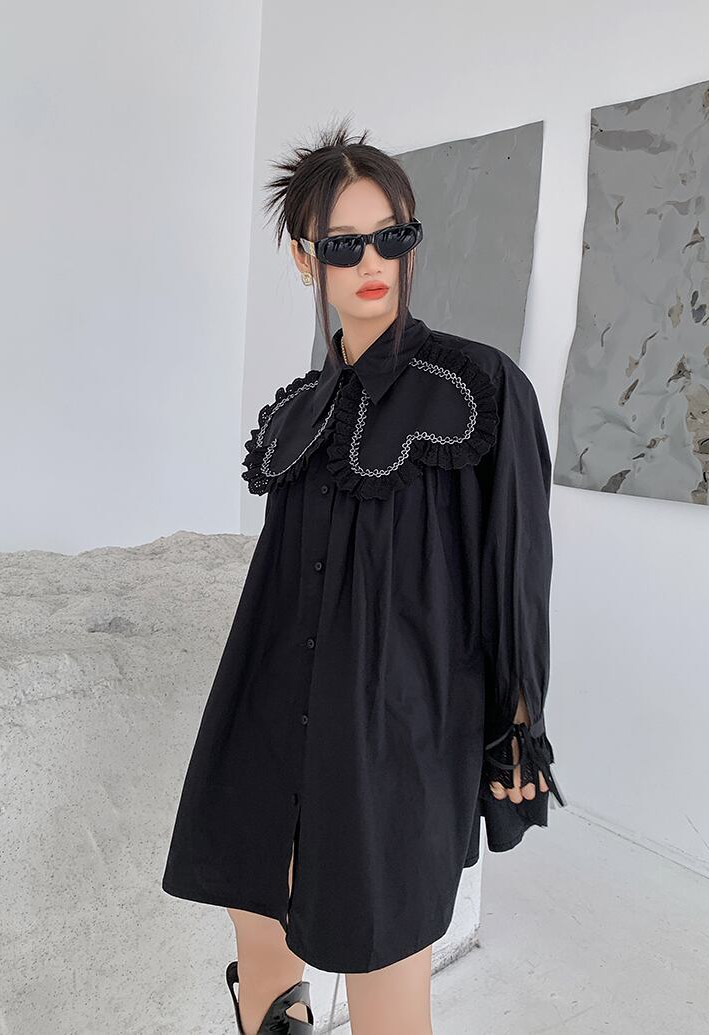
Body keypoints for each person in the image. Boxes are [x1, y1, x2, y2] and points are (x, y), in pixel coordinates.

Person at [161, 116, 567, 1035]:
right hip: (268, 718)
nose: (372, 261)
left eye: (392, 236)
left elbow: (515, 570)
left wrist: (518, 727)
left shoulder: (477, 388)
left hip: (395, 732)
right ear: (307, 259)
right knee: (260, 934)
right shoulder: (299, 413)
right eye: (344, 243)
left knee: (386, 972)